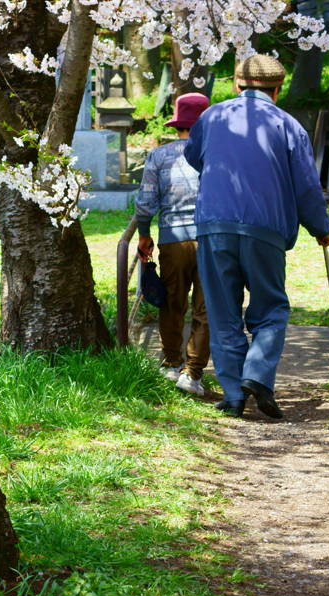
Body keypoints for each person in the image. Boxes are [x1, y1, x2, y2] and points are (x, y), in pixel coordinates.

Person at [184, 55, 329, 418]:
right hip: (265, 229)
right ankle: (258, 375)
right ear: (277, 90)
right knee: (271, 307)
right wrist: (321, 228)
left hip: (215, 226)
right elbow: (306, 187)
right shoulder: (288, 125)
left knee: (222, 312)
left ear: (237, 85)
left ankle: (234, 396)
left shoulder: (212, 117)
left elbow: (194, 157)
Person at [133, 92, 211, 397]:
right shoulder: (215, 154)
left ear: (177, 123)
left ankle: (170, 362)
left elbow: (145, 202)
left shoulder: (159, 155)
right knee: (205, 309)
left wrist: (143, 233)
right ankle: (193, 373)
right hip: (209, 239)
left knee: (172, 302)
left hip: (172, 240)